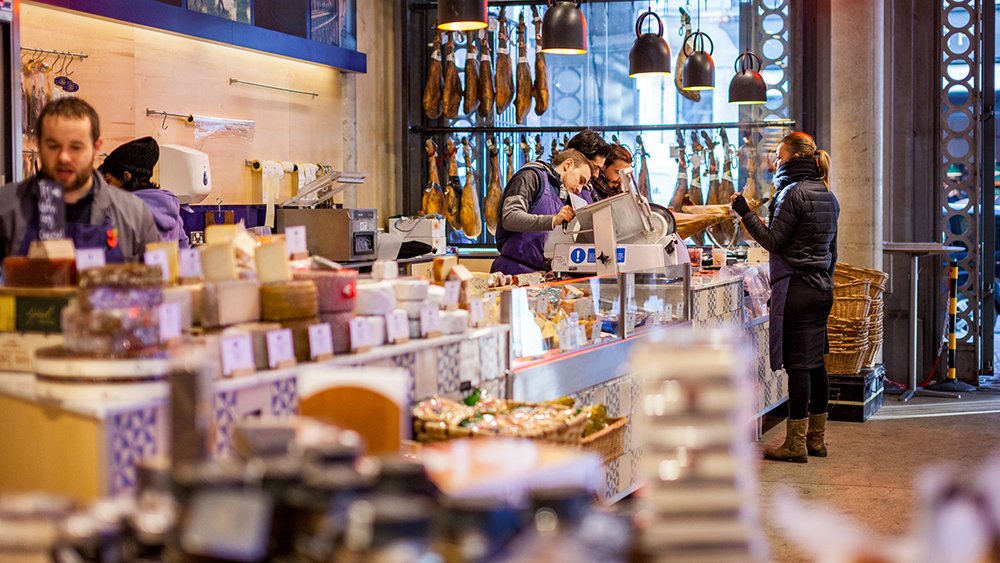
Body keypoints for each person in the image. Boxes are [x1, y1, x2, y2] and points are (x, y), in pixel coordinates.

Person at [731, 131, 839, 464]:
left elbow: (774, 242)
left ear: (792, 157)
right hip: (822, 288)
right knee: (816, 363)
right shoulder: (826, 193)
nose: (774, 161)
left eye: (778, 155)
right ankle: (816, 441)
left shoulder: (791, 193)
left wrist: (744, 212)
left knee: (798, 367)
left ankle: (795, 445)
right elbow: (832, 251)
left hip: (797, 289)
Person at [0, 98, 160, 264]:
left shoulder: (133, 213)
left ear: (96, 148)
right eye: (53, 146)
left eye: (75, 147)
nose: (64, 157)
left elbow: (159, 283)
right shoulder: (5, 208)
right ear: (39, 145)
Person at [491, 149, 593, 275]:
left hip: (538, 275)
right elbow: (510, 217)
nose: (579, 189)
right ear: (568, 165)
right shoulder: (531, 176)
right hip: (513, 272)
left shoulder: (560, 193)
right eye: (581, 180)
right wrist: (553, 220)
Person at [100, 136, 190, 248]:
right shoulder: (170, 209)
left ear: (126, 177)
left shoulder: (120, 211)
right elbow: (184, 252)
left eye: (108, 181)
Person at [566, 129, 611, 204]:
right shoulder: (548, 184)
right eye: (594, 167)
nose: (596, 175)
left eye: (599, 169)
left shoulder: (588, 189)